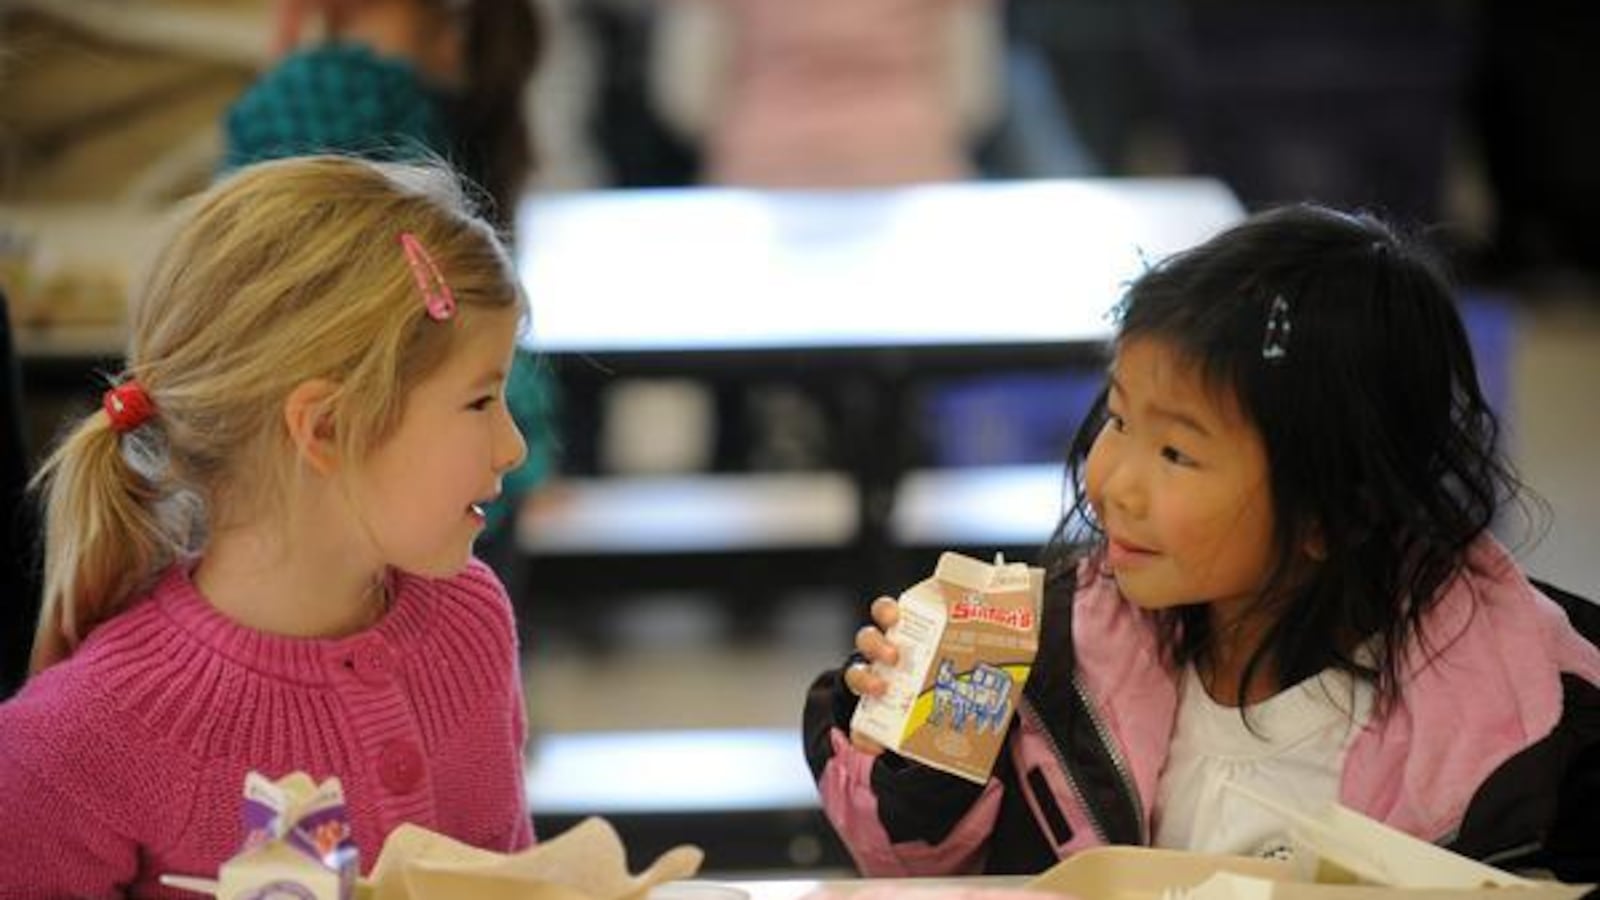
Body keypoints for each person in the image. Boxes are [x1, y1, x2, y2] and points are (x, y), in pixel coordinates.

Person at [803, 204, 1600, 877]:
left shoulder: (1529, 718)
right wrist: (919, 759)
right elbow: (908, 872)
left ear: (1336, 509)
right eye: (1118, 419)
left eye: (1177, 452)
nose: (1112, 482)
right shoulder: (1046, 649)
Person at [0, 156, 535, 894]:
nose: (514, 446)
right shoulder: (79, 739)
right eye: (481, 402)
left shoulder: (471, 622)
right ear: (323, 429)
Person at [225, 0, 557, 596]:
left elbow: (259, 328)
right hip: (456, 471)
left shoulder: (316, 93)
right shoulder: (451, 83)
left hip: (379, 478)